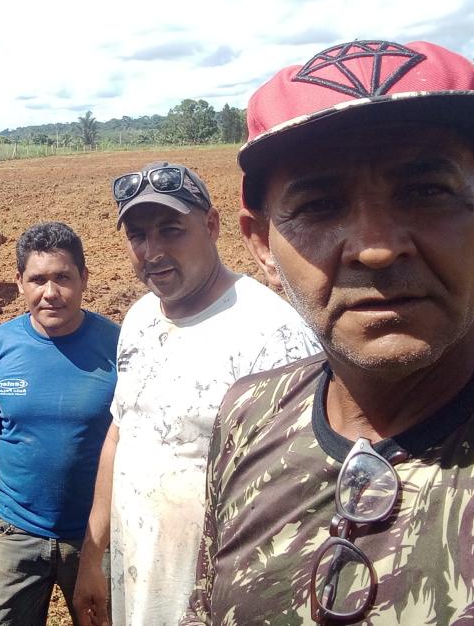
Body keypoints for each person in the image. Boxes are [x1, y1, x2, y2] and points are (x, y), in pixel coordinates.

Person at [181, 39, 474, 625]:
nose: (378, 248)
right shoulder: (249, 418)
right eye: (319, 205)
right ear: (262, 247)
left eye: (425, 192)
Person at [74, 162, 320, 626]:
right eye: (138, 236)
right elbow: (119, 436)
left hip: (218, 601)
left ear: (211, 225)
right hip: (139, 587)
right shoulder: (139, 321)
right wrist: (93, 556)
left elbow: (298, 503)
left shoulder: (272, 335)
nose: (153, 252)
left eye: (171, 230)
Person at [0, 221, 120, 625]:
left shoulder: (117, 345)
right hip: (15, 532)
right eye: (38, 279)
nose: (50, 293)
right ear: (19, 283)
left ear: (84, 278)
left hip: (96, 538)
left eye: (63, 278)